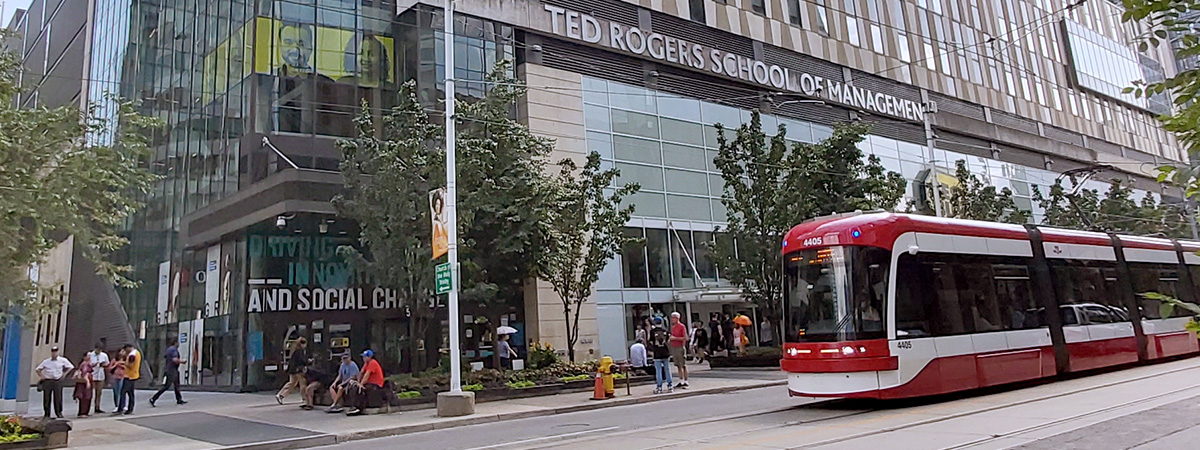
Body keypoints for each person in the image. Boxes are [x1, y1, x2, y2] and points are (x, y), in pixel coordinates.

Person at [35, 346, 73, 419]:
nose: (54, 353)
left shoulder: (62, 360)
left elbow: (71, 367)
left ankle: (59, 412)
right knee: (46, 397)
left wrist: (64, 374)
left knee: (58, 397)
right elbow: (38, 369)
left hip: (57, 380)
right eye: (53, 351)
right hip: (48, 380)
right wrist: (42, 376)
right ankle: (47, 413)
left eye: (55, 351)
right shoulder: (46, 361)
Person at [346, 349, 385, 416]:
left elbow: (367, 375)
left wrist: (361, 384)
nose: (363, 358)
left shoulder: (373, 363)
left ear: (369, 357)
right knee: (355, 387)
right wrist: (358, 382)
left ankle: (359, 407)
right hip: (369, 383)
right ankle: (353, 406)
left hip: (376, 384)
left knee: (362, 389)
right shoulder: (366, 364)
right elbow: (361, 373)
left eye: (365, 357)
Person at [150, 337, 187, 407]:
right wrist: (182, 361)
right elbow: (175, 359)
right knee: (167, 386)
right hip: (172, 370)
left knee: (176, 385)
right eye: (178, 343)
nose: (178, 344)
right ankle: (153, 398)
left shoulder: (169, 349)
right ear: (175, 343)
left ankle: (179, 399)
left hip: (171, 369)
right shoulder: (173, 350)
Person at [277, 338, 310, 405]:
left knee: (292, 383)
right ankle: (304, 398)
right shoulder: (300, 352)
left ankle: (281, 394)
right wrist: (308, 361)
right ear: (302, 344)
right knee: (303, 384)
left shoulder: (294, 350)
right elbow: (301, 361)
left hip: (292, 370)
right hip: (298, 370)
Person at [648, 318, 672, 394]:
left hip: (657, 352)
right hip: (665, 351)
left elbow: (651, 342)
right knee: (667, 369)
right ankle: (670, 385)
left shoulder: (653, 332)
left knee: (658, 370)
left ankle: (659, 387)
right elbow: (668, 341)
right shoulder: (665, 331)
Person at [118, 344, 142, 415]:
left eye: (125, 350)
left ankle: (121, 408)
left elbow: (130, 365)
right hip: (134, 375)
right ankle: (130, 408)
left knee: (123, 392)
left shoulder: (132, 355)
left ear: (128, 348)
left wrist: (124, 362)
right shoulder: (137, 353)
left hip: (129, 376)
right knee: (131, 393)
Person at [86, 342, 110, 414]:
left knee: (99, 392)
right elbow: (86, 364)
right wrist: (93, 364)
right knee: (90, 392)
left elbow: (107, 363)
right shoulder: (90, 355)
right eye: (97, 349)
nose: (99, 351)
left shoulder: (104, 355)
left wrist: (103, 364)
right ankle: (88, 407)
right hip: (92, 374)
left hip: (100, 375)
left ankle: (97, 406)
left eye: (100, 350)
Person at [668, 312, 689, 389]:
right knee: (677, 365)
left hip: (680, 347)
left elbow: (685, 338)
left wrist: (675, 338)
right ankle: (681, 380)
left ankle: (686, 381)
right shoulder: (673, 327)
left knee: (683, 364)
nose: (672, 319)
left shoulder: (682, 326)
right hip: (674, 347)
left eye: (673, 317)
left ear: (677, 318)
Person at [71, 353, 93, 417]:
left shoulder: (87, 363)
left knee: (86, 398)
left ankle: (84, 412)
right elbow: (84, 373)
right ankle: (82, 412)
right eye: (88, 355)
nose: (90, 357)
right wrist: (87, 381)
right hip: (84, 383)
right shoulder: (85, 364)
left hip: (84, 382)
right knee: (85, 397)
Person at [109, 348, 127, 413]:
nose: (123, 352)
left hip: (122, 376)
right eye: (121, 351)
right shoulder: (114, 360)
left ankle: (123, 405)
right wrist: (116, 364)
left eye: (123, 351)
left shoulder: (126, 360)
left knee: (122, 391)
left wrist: (122, 365)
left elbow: (128, 367)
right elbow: (110, 368)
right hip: (115, 377)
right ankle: (116, 405)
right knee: (116, 391)